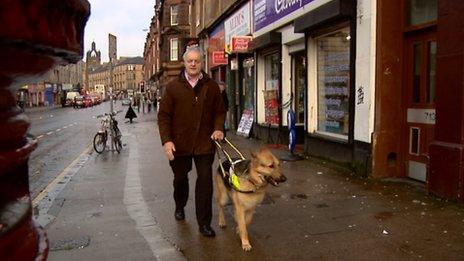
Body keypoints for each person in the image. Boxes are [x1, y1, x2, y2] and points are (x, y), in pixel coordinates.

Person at [158, 46, 226, 237]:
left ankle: (204, 223)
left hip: (205, 143)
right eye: (190, 61)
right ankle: (180, 204)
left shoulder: (211, 86)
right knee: (180, 179)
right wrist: (167, 141)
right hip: (180, 144)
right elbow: (164, 116)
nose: (193, 64)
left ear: (201, 63)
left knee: (205, 181)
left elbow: (220, 111)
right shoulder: (173, 87)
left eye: (197, 61)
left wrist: (218, 128)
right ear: (185, 63)